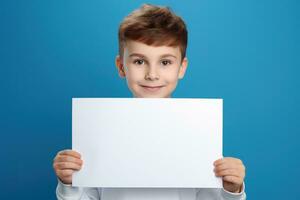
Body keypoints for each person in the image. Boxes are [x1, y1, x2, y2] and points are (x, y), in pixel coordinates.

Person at [53, 4, 246, 199]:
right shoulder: (102, 132)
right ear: (121, 67)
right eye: (139, 61)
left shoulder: (197, 131)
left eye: (165, 62)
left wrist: (231, 189)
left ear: (181, 67)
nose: (152, 75)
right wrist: (69, 183)